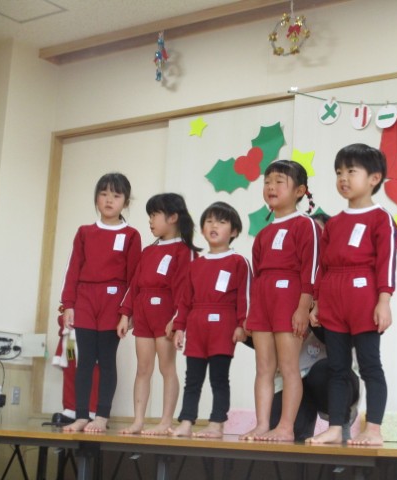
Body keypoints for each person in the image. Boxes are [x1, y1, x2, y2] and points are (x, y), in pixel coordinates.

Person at [307, 143, 396, 446]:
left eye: (351, 171)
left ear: (374, 178)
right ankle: (335, 426)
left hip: (364, 299)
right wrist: (318, 302)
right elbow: (322, 266)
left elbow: (386, 263)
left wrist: (384, 301)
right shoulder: (333, 223)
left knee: (370, 366)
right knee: (337, 368)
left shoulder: (381, 218)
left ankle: (374, 429)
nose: (343, 178)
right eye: (339, 172)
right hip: (333, 300)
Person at [240, 160, 319, 442]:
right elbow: (257, 275)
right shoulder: (263, 234)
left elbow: (311, 269)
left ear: (299, 191)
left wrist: (303, 307)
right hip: (263, 302)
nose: (271, 187)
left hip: (290, 301)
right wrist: (251, 312)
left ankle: (286, 427)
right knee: (263, 368)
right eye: (267, 182)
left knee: (288, 367)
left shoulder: (306, 225)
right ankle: (262, 424)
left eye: (279, 182)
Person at [61, 173, 142, 433]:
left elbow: (134, 278)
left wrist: (127, 313)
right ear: (96, 198)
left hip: (113, 302)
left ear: (125, 202)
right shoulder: (84, 232)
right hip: (85, 299)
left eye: (116, 196)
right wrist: (68, 304)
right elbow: (73, 269)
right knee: (84, 360)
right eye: (104, 194)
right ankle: (81, 415)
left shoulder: (131, 235)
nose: (109, 200)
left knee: (106, 360)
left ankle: (102, 416)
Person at [117, 193, 199, 435]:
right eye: (149, 216)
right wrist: (125, 314)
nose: (150, 220)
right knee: (143, 369)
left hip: (165, 317)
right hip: (143, 314)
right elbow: (134, 285)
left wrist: (177, 319)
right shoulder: (148, 251)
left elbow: (185, 290)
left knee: (166, 367)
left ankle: (165, 421)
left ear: (172, 217)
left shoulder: (184, 251)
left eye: (154, 215)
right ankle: (138, 421)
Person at [168, 202, 250, 438]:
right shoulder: (196, 264)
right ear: (202, 229)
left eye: (222, 222)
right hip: (197, 325)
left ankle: (216, 423)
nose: (214, 226)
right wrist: (179, 328)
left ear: (234, 231)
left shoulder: (238, 262)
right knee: (192, 379)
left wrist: (242, 324)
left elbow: (245, 296)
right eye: (209, 221)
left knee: (218, 378)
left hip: (224, 326)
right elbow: (185, 300)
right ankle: (186, 421)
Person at [49, 306, 99, 426]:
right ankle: (71, 409)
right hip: (71, 341)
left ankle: (91, 411)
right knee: (70, 374)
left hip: (89, 341)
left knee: (92, 376)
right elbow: (63, 319)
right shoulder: (69, 300)